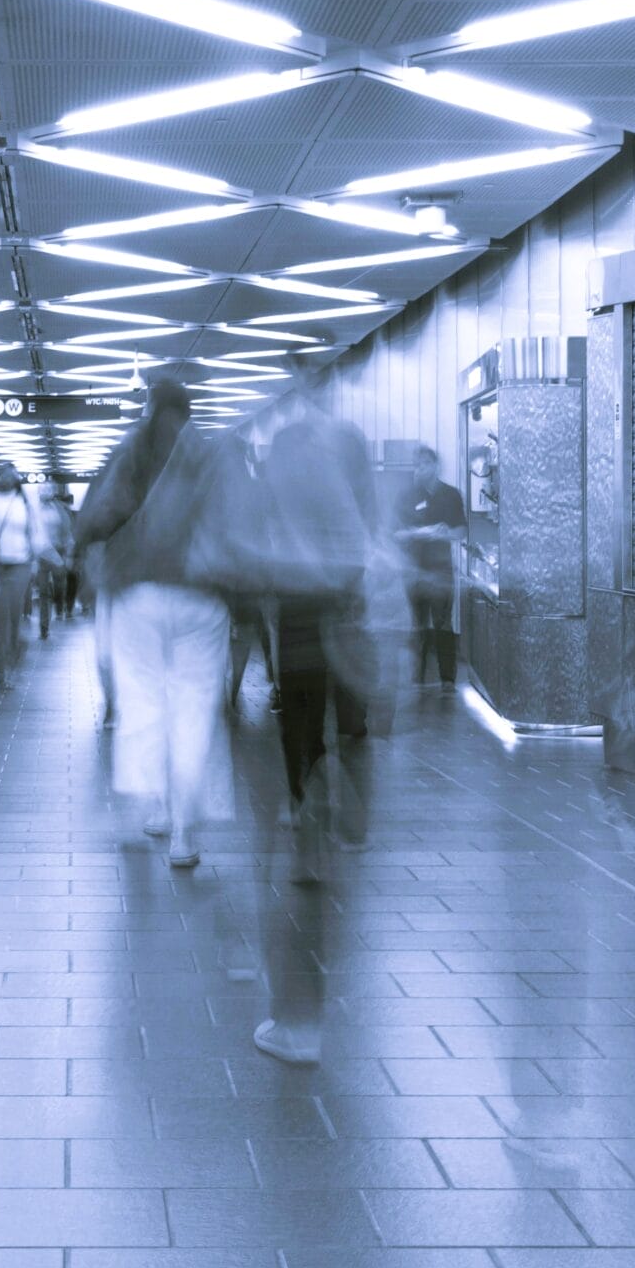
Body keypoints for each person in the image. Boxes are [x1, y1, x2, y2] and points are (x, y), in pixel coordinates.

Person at [246, 357, 381, 1067]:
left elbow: (262, 524)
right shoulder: (350, 440)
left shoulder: (284, 448)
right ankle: (336, 800)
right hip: (343, 590)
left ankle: (306, 823)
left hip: (296, 596)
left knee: (296, 710)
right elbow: (368, 513)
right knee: (341, 707)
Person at [76, 376, 227, 869]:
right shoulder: (212, 455)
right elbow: (239, 520)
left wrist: (95, 550)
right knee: (194, 708)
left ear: (150, 405)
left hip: (139, 593)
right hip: (202, 593)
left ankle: (158, 807)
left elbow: (103, 511)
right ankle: (184, 833)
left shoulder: (135, 450)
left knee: (144, 702)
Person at [396, 445, 465, 693]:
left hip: (442, 572)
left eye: (423, 464)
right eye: (415, 465)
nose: (418, 469)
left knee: (443, 624)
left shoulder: (451, 495)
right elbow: (396, 534)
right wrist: (418, 533)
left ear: (435, 465)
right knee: (417, 624)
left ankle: (448, 680)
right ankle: (418, 677)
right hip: (414, 572)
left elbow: (461, 532)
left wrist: (445, 533)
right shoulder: (406, 496)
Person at [0, 463, 48, 689]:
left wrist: (36, 561)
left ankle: (10, 660)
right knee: (0, 618)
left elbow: (35, 533)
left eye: (12, 473)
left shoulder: (25, 501)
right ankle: (1, 671)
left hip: (20, 565)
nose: (8, 477)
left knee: (15, 617)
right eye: (3, 474)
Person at [35, 481, 75, 637]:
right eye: (42, 489)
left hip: (58, 552)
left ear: (53, 492)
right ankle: (44, 627)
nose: (45, 492)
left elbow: (68, 533)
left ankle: (59, 608)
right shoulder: (33, 509)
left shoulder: (60, 509)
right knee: (44, 592)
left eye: (48, 489)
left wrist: (69, 554)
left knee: (59, 587)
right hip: (40, 554)